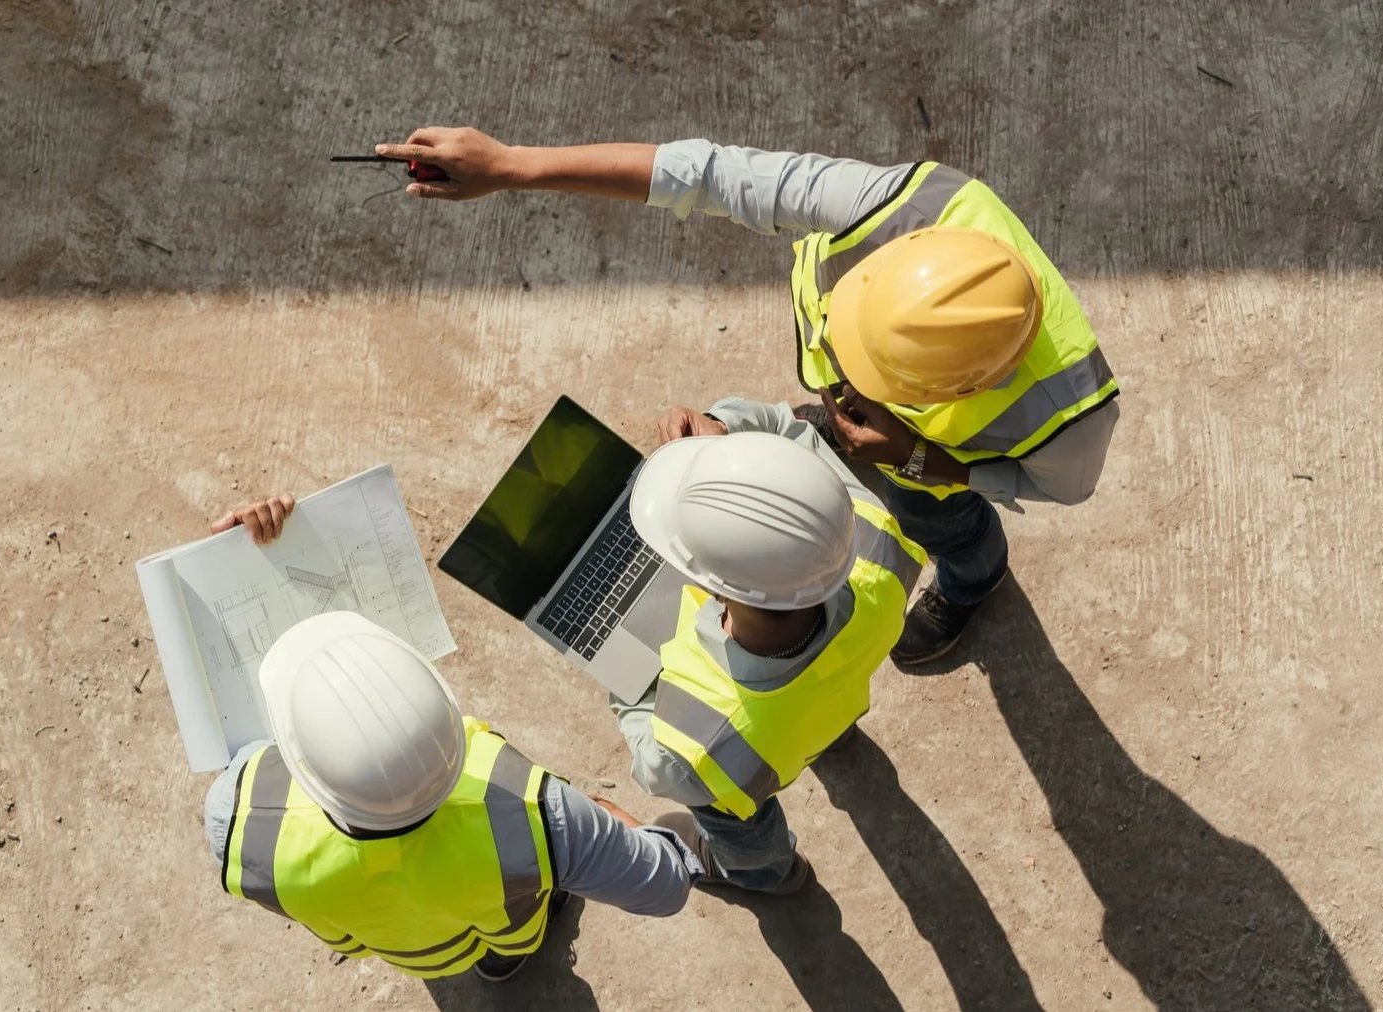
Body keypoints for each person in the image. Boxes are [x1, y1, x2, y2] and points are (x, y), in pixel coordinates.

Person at [372, 129, 1119, 663]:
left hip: (927, 467)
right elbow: (708, 174)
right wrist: (512, 165)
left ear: (962, 386)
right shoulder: (900, 205)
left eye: (869, 377)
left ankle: (974, 578)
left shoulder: (1072, 419)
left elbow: (1059, 490)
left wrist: (925, 463)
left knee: (945, 525)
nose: (840, 379)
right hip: (899, 438)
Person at [202, 496, 701, 982]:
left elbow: (242, 739)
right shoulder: (541, 814)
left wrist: (236, 566)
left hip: (404, 948)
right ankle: (505, 961)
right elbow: (665, 884)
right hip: (507, 926)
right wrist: (596, 820)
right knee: (513, 929)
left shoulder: (238, 821)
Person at [609, 398, 926, 892]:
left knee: (734, 819)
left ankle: (767, 872)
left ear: (709, 587)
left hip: (750, 760)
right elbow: (790, 435)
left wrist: (623, 683)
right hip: (826, 703)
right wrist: (726, 438)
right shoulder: (877, 546)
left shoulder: (696, 747)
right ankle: (833, 740)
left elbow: (655, 769)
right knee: (819, 714)